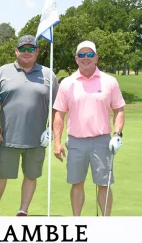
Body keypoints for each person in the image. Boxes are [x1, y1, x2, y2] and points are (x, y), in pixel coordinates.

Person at [0, 35, 59, 217]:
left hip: (36, 139)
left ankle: (23, 211)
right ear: (16, 51)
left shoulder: (48, 75)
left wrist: (51, 130)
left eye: (31, 49)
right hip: (7, 137)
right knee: (1, 175)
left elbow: (57, 107)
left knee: (31, 175)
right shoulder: (2, 72)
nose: (27, 53)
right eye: (23, 49)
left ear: (37, 52)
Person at [53, 40, 125, 216]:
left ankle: (106, 221)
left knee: (103, 183)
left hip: (102, 141)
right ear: (76, 59)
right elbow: (59, 115)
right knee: (77, 183)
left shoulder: (110, 81)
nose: (86, 58)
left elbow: (119, 110)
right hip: (76, 141)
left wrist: (117, 135)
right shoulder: (67, 83)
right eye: (82, 55)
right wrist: (57, 142)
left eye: (90, 54)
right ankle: (77, 222)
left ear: (97, 58)